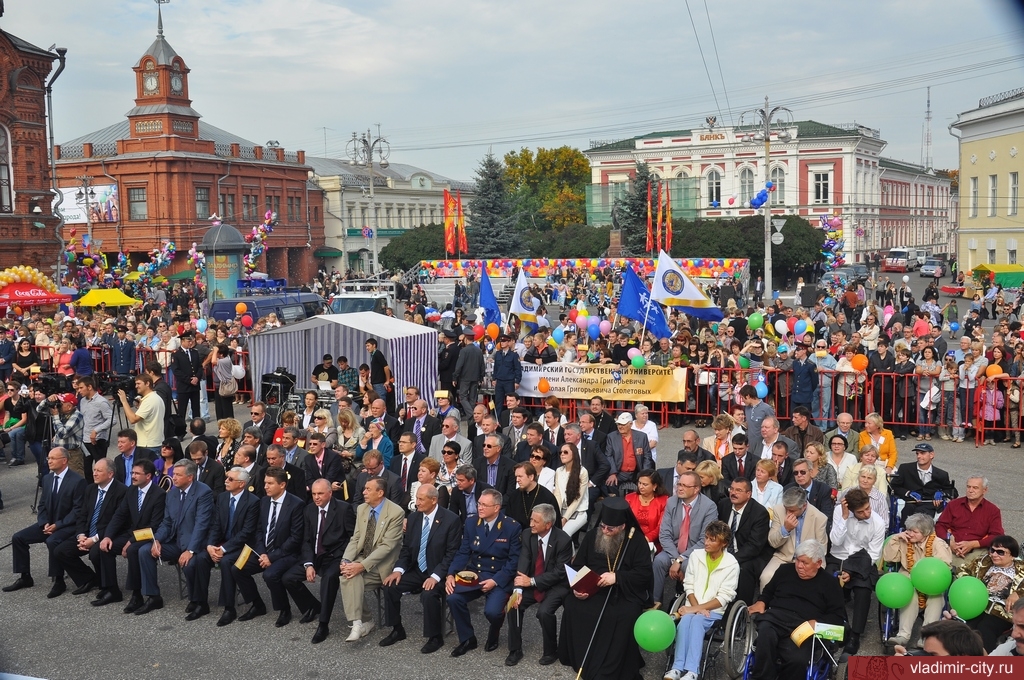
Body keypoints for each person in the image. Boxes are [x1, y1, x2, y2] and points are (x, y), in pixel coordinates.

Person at [557, 497, 652, 680]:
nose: (606, 531)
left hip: (623, 592)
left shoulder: (636, 541)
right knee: (572, 604)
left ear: (623, 527)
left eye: (611, 529)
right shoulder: (593, 535)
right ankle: (580, 657)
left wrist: (617, 577)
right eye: (603, 526)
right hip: (593, 589)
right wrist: (578, 587)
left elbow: (644, 574)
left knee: (623, 615)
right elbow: (578, 565)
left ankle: (610, 663)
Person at [380, 483, 463, 654]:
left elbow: (451, 554)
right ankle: (397, 629)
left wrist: (435, 576)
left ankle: (435, 637)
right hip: (418, 569)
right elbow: (406, 549)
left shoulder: (451, 520)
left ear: (434, 500)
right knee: (390, 586)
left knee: (429, 594)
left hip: (438, 571)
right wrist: (398, 570)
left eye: (420, 499)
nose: (416, 503)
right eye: (416, 498)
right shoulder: (414, 518)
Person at [747, 540, 846, 680]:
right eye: (797, 560)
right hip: (776, 618)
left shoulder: (830, 584)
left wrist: (817, 622)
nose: (799, 566)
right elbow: (768, 592)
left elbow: (837, 616)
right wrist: (761, 601)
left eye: (805, 563)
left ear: (818, 563)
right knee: (765, 638)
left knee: (797, 660)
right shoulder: (784, 570)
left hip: (803, 627)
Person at [445, 489, 523, 657]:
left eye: (484, 505)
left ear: (496, 508)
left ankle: (494, 634)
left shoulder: (511, 527)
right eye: (479, 503)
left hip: (499, 575)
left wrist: (496, 581)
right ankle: (467, 639)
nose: (479, 507)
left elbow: (513, 561)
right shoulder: (472, 522)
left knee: (493, 612)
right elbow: (464, 552)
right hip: (476, 573)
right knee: (453, 598)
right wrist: (451, 573)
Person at [133, 460, 214, 616]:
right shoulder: (172, 493)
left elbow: (201, 525)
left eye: (178, 475)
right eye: (173, 474)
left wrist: (190, 550)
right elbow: (167, 522)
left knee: (190, 564)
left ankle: (198, 601)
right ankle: (153, 597)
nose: (174, 478)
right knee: (144, 551)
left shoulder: (204, 492)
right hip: (175, 541)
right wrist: (157, 540)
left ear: (190, 477)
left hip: (194, 542)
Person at [3, 447, 87, 597]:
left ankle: (58, 581)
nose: (49, 461)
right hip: (48, 523)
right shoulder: (47, 478)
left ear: (64, 460)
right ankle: (25, 577)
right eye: (48, 458)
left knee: (52, 541)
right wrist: (44, 523)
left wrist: (58, 525)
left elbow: (78, 511)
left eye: (53, 458)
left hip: (67, 526)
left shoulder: (78, 481)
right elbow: (42, 505)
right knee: (18, 537)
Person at [281, 479, 356, 643]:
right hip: (314, 556)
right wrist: (308, 564)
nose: (316, 497)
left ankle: (323, 624)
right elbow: (306, 540)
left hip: (335, 556)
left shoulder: (344, 509)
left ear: (330, 493)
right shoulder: (309, 510)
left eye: (320, 493)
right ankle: (313, 606)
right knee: (288, 578)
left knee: (328, 580)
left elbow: (352, 538)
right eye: (314, 493)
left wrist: (344, 558)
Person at [664, 521, 740, 680]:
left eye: (712, 540)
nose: (706, 542)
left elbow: (724, 597)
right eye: (706, 538)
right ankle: (677, 668)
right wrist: (696, 608)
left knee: (697, 621)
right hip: (693, 605)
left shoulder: (732, 564)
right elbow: (688, 585)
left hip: (714, 611)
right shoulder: (696, 556)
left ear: (723, 543)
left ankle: (692, 671)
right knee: (685, 622)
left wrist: (694, 609)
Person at [232, 467, 305, 627]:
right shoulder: (263, 501)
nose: (265, 486)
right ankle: (257, 605)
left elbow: (295, 538)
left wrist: (271, 557)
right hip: (264, 551)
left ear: (282, 485)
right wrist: (262, 553)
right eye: (265, 483)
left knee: (270, 575)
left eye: (270, 483)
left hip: (286, 554)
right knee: (237, 569)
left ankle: (284, 609)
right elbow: (258, 531)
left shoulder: (296, 504)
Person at [190, 466, 260, 627]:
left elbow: (246, 532)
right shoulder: (222, 498)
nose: (226, 481)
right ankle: (201, 603)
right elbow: (215, 525)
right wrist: (210, 545)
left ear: (241, 484)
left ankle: (229, 608)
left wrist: (223, 549)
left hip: (242, 546)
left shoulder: (253, 502)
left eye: (230, 479)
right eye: (226, 478)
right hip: (221, 542)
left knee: (227, 562)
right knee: (201, 558)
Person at [505, 503, 572, 667]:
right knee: (513, 605)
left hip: (555, 585)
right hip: (531, 581)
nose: (531, 524)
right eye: (531, 519)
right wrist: (519, 588)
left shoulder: (563, 540)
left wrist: (532, 581)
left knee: (544, 612)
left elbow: (559, 573)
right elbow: (524, 560)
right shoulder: (528, 534)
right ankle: (515, 649)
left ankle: (551, 651)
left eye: (535, 521)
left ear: (548, 524)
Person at [339, 477, 405, 640]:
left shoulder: (396, 512)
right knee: (348, 576)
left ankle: (363, 623)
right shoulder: (362, 508)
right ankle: (360, 623)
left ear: (380, 492)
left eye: (368, 489)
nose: (363, 492)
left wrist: (361, 566)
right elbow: (356, 538)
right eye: (364, 489)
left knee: (352, 577)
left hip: (383, 564)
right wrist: (346, 560)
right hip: (363, 557)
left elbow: (387, 547)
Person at [95, 459, 167, 609]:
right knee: (104, 547)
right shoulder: (131, 490)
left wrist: (131, 541)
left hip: (148, 536)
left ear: (148, 476)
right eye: (132, 472)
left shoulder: (159, 495)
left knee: (133, 550)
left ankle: (137, 594)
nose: (132, 476)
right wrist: (107, 536)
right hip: (132, 534)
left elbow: (154, 526)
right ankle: (111, 589)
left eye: (136, 473)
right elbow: (119, 515)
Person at [52, 458, 127, 596]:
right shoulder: (90, 489)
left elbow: (118, 522)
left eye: (99, 471)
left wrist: (94, 539)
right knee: (61, 551)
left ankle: (108, 588)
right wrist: (81, 535)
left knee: (96, 552)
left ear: (110, 474)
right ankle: (89, 579)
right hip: (87, 533)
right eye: (94, 470)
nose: (95, 474)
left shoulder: (121, 491)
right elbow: (82, 514)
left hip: (107, 534)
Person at [827, 488, 885, 655]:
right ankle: (842, 624)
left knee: (863, 589)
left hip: (863, 559)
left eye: (868, 508)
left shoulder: (878, 522)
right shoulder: (840, 512)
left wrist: (852, 571)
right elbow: (835, 541)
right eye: (861, 512)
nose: (867, 513)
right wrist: (844, 518)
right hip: (839, 555)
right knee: (829, 583)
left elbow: (873, 554)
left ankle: (856, 635)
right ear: (851, 510)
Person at [880, 513, 953, 647]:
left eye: (915, 532)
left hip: (930, 582)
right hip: (908, 577)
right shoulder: (902, 540)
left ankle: (926, 637)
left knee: (936, 598)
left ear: (925, 533)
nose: (910, 534)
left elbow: (945, 567)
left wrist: (929, 578)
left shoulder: (938, 544)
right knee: (910, 595)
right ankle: (903, 635)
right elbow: (889, 558)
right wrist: (895, 539)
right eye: (908, 530)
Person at [653, 471, 719, 608]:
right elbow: (664, 535)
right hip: (674, 550)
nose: (679, 488)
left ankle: (687, 605)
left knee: (687, 565)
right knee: (659, 561)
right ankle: (655, 603)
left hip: (695, 552)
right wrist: (676, 559)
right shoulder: (671, 502)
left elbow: (704, 541)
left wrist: (681, 560)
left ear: (696, 489)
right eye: (679, 484)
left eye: (684, 486)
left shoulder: (709, 507)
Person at [953, 535, 1024, 651]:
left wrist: (1019, 593)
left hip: (1001, 611)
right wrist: (970, 584)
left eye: (1000, 552)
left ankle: (986, 662)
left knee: (985, 628)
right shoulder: (983, 562)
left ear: (1012, 555)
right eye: (992, 550)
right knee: (963, 627)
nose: (994, 555)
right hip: (975, 605)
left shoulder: (1021, 569)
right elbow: (962, 569)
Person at [760, 486, 829, 589]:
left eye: (792, 510)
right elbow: (772, 542)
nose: (788, 513)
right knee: (765, 577)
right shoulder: (778, 510)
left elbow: (821, 550)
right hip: (783, 557)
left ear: (804, 506)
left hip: (807, 560)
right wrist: (785, 529)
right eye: (786, 509)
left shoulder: (819, 517)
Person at [718, 478, 772, 606]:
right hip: (725, 550)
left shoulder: (759, 513)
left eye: (738, 490)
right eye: (731, 489)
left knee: (743, 569)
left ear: (748, 494)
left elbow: (754, 546)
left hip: (751, 555)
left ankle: (742, 607)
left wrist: (730, 560)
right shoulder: (724, 505)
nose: (733, 493)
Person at [935, 475, 1005, 568]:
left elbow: (997, 535)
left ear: (985, 490)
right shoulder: (954, 504)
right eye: (968, 487)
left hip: (977, 549)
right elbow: (940, 525)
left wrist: (972, 544)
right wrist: (950, 543)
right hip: (952, 546)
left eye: (975, 488)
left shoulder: (992, 510)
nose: (970, 490)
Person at [890, 443, 955, 522]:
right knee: (908, 511)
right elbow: (893, 487)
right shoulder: (905, 468)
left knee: (924, 518)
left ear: (931, 455)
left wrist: (942, 493)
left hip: (929, 507)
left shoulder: (941, 474)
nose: (919, 456)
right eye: (917, 453)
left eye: (922, 453)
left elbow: (952, 491)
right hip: (910, 503)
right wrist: (908, 493)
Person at [605, 412, 654, 496]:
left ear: (630, 424)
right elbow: (608, 455)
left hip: (636, 472)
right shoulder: (611, 437)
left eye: (623, 424)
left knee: (646, 488)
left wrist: (644, 475)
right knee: (609, 486)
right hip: (619, 472)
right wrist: (612, 473)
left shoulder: (642, 437)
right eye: (618, 424)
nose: (620, 427)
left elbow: (647, 456)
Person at [39, 393, 85, 477]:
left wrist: (56, 416)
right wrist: (47, 400)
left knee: (74, 482)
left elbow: (62, 434)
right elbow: (39, 409)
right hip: (58, 453)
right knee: (58, 481)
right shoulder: (61, 412)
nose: (58, 405)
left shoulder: (77, 416)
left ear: (69, 407)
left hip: (71, 455)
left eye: (61, 403)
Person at [625, 469, 670, 553]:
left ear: (654, 486)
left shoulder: (664, 501)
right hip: (630, 539)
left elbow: (661, 527)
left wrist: (646, 538)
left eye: (645, 484)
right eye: (639, 483)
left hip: (653, 543)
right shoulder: (629, 498)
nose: (640, 487)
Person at [119, 374, 165, 455]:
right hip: (154, 442)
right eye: (135, 384)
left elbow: (133, 419)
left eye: (138, 383)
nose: (136, 386)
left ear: (147, 383)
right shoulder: (156, 397)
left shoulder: (149, 400)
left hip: (148, 444)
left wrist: (124, 401)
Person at [506, 461, 560, 529]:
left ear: (531, 477)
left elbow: (555, 526)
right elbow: (508, 521)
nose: (517, 480)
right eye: (516, 477)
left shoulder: (547, 497)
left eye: (520, 476)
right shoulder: (514, 496)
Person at [553, 442, 589, 537]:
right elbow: (558, 495)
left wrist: (565, 518)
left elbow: (578, 499)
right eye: (560, 452)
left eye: (565, 452)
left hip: (579, 512)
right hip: (562, 510)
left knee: (563, 535)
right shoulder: (559, 471)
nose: (562, 454)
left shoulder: (582, 472)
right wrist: (557, 515)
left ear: (574, 454)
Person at [171, 332, 204, 422]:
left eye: (191, 341)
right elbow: (176, 371)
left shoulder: (194, 352)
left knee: (196, 410)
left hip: (195, 386)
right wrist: (189, 380)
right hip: (184, 386)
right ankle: (181, 432)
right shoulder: (176, 354)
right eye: (188, 341)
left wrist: (197, 377)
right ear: (182, 341)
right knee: (182, 410)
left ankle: (197, 428)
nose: (190, 343)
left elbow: (199, 367)